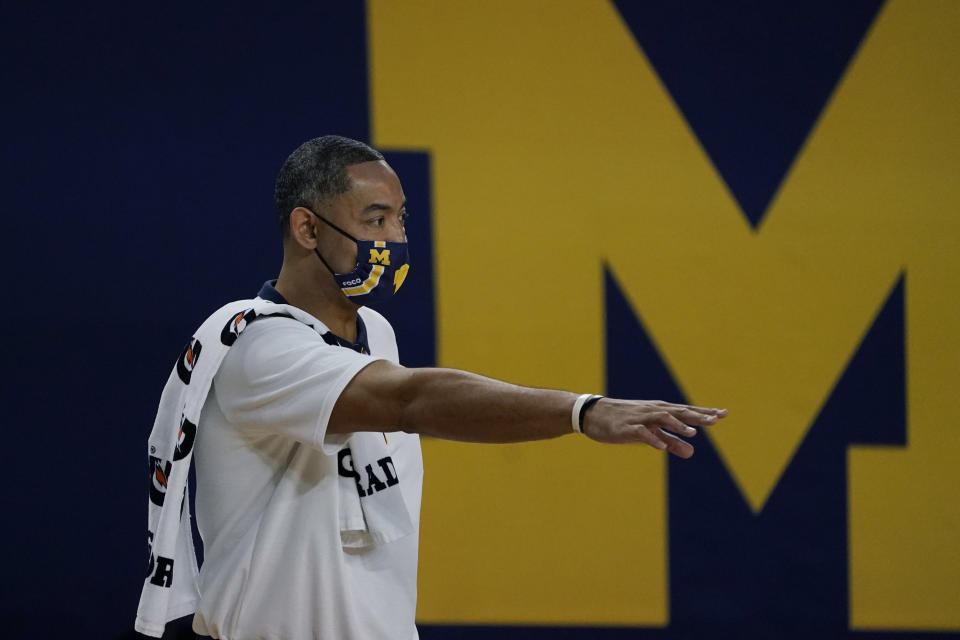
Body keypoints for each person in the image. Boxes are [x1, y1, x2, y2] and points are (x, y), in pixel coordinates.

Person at [162, 135, 727, 640]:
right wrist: (582, 412)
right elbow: (411, 401)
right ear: (308, 228)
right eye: (375, 221)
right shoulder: (258, 346)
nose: (396, 239)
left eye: (402, 220)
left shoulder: (376, 333)